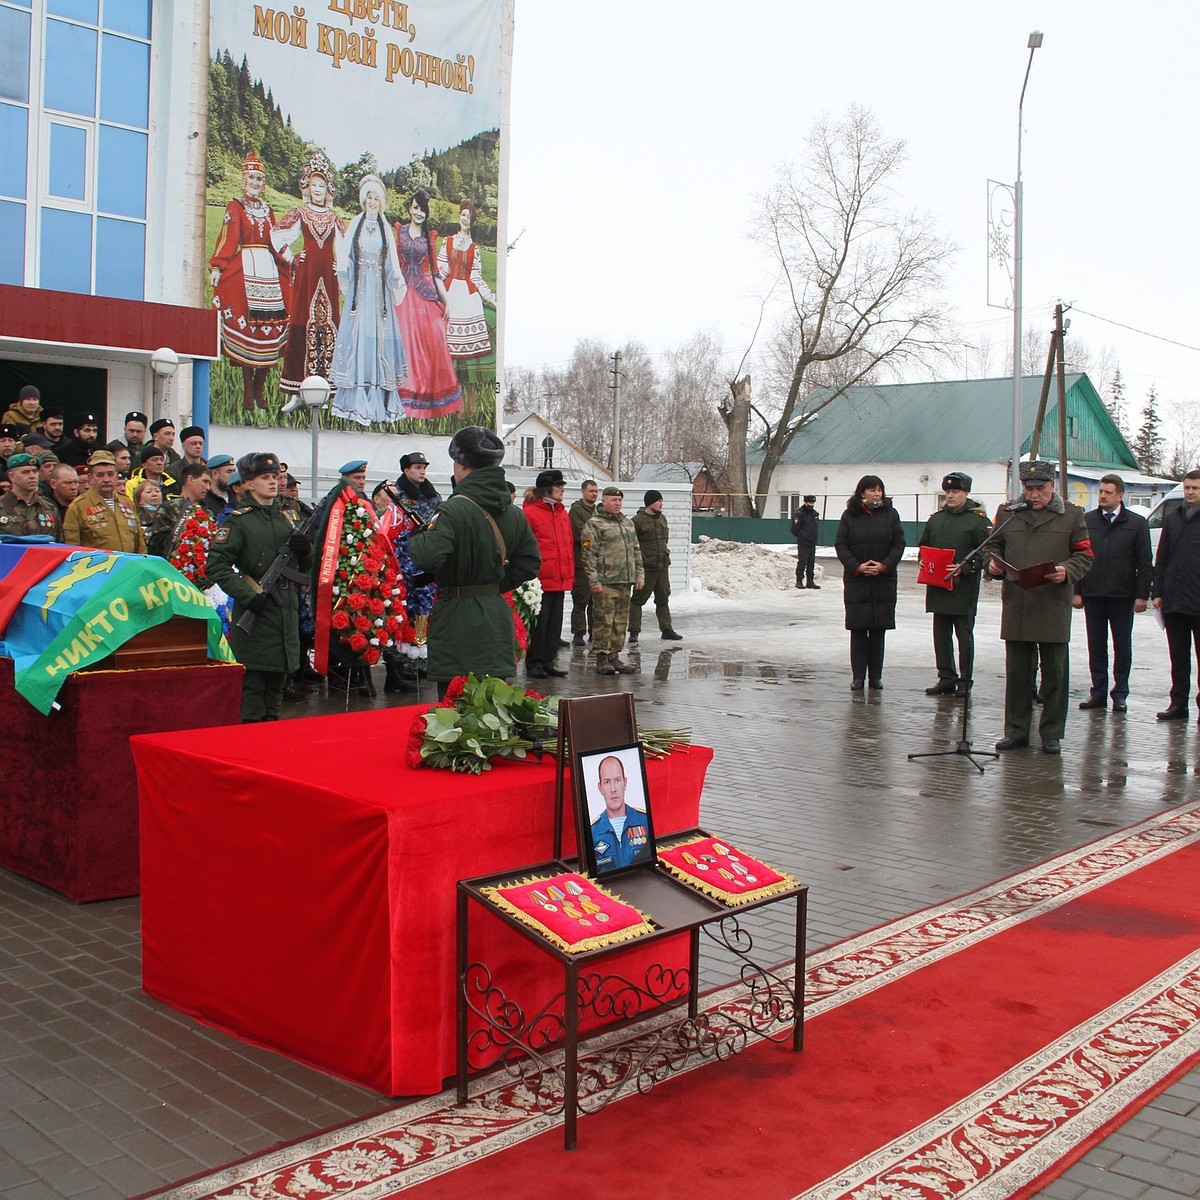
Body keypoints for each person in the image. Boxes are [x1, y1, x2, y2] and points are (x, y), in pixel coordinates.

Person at [407, 426, 540, 696]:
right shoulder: (513, 513)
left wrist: (418, 536)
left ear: (463, 465)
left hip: (457, 618)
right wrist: (492, 584)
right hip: (495, 615)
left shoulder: (452, 510)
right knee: (494, 705)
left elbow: (426, 556)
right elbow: (529, 563)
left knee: (455, 708)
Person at [988, 460, 1093, 754]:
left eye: (1040, 489)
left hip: (1051, 602)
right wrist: (992, 564)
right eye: (1028, 488)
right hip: (1018, 601)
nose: (1034, 495)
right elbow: (992, 546)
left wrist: (1067, 571)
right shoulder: (1008, 513)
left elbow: (1085, 555)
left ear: (1052, 486)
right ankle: (1017, 731)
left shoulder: (1071, 516)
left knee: (1055, 673)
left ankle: (1051, 732)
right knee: (1018, 673)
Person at [207, 452, 313, 722]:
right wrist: (248, 595)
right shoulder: (239, 521)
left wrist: (306, 552)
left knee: (275, 701)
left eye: (276, 477)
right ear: (248, 483)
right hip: (256, 618)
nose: (273, 482)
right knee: (252, 700)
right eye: (265, 477)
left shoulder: (286, 518)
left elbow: (305, 570)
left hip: (285, 619)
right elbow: (216, 566)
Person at [209, 151, 291, 412]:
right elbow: (229, 237)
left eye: (259, 178)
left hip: (267, 269)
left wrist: (290, 261)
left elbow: (276, 243)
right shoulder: (236, 207)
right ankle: (247, 389)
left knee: (272, 326)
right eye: (252, 177)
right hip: (246, 268)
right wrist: (219, 265)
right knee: (248, 327)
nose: (255, 182)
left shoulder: (269, 211)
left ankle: (260, 387)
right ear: (244, 180)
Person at [328, 174, 407, 425]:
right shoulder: (356, 224)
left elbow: (391, 261)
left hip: (379, 295)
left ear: (381, 202)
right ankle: (355, 401)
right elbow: (347, 254)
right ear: (364, 200)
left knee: (380, 341)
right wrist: (345, 268)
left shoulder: (385, 228)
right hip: (361, 292)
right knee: (359, 338)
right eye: (369, 197)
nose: (372, 202)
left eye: (376, 198)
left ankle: (380, 403)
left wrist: (395, 277)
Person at [1074, 474, 1152, 713]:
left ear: (1120, 495)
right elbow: (1078, 557)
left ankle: (1120, 693)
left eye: (1108, 492)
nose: (1103, 496)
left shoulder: (1136, 523)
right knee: (1096, 645)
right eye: (1101, 492)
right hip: (1094, 593)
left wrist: (1141, 595)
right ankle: (1098, 692)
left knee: (1122, 646)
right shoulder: (1087, 521)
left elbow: (1144, 562)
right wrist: (1077, 591)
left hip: (1123, 595)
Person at [273, 151, 346, 396]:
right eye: (314, 184)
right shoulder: (300, 213)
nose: (317, 189)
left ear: (328, 190)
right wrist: (291, 256)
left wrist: (341, 267)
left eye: (322, 185)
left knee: (329, 322)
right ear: (307, 186)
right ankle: (297, 386)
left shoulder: (335, 218)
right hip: (308, 274)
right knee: (303, 320)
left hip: (328, 274)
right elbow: (277, 235)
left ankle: (328, 387)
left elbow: (346, 248)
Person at [917, 471, 991, 697]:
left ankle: (964, 680)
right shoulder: (936, 519)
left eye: (955, 491)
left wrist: (964, 567)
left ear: (966, 493)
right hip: (938, 586)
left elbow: (986, 553)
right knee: (940, 636)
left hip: (963, 589)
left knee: (964, 637)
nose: (950, 496)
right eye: (948, 491)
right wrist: (923, 561)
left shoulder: (977, 521)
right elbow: (924, 546)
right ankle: (946, 677)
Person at [394, 188, 463, 419]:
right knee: (404, 342)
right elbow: (392, 267)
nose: (419, 213)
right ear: (409, 208)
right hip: (402, 293)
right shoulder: (399, 232)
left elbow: (435, 274)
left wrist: (447, 302)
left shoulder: (429, 238)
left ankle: (431, 399)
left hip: (425, 293)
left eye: (423, 209)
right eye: (415, 208)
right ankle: (403, 396)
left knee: (433, 338)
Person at [834, 474, 905, 690]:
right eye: (872, 490)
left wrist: (884, 566)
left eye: (880, 490)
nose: (877, 494)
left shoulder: (891, 515)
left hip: (883, 581)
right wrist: (857, 566)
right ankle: (858, 677)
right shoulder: (849, 516)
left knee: (877, 631)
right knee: (858, 631)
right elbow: (841, 544)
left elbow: (899, 544)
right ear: (862, 492)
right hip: (858, 582)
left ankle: (876, 677)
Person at [1152, 468, 1200, 722]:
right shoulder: (1173, 518)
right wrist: (1157, 591)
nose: (1190, 492)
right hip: (1174, 600)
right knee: (1178, 658)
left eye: (1195, 488)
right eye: (1187, 487)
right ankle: (1178, 704)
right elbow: (1162, 558)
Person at [582, 486, 643, 676]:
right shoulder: (595, 524)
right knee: (604, 620)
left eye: (619, 501)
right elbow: (587, 553)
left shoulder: (627, 524)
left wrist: (639, 575)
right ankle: (602, 657)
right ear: (604, 502)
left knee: (620, 621)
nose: (617, 504)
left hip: (625, 580)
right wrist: (593, 580)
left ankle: (614, 655)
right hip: (605, 581)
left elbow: (636, 550)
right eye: (613, 501)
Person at [522, 469, 573, 678]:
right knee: (539, 625)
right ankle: (534, 662)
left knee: (554, 624)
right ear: (546, 488)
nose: (562, 489)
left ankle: (548, 661)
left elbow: (567, 544)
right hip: (540, 579)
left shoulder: (561, 512)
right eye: (558, 486)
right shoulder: (530, 513)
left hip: (559, 577)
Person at [436, 200, 496, 370]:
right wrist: (433, 289)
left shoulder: (474, 248)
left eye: (469, 217)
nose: (465, 219)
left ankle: (462, 377)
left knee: (464, 345)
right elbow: (441, 271)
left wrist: (492, 300)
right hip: (451, 290)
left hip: (467, 295)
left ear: (472, 222)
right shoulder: (448, 241)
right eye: (463, 215)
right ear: (459, 216)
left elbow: (476, 277)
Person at [62, 451, 147, 552]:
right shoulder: (77, 507)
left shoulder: (127, 502)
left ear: (116, 476)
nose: (106, 479)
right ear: (90, 478)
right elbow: (72, 549)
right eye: (100, 475)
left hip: (128, 566)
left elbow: (140, 543)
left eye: (110, 474)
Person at [629, 490, 683, 644]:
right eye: (658, 501)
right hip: (646, 568)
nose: (661, 504)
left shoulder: (662, 519)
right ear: (650, 503)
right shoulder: (637, 521)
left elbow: (665, 539)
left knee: (663, 598)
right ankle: (634, 631)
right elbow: (631, 545)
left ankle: (667, 629)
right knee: (638, 600)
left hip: (662, 567)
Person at [588, 754, 652, 872]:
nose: (613, 789)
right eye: (607, 782)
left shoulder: (645, 821)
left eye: (617, 780)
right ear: (600, 788)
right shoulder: (592, 831)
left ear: (625, 783)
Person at [147, 463, 211, 558]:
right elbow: (156, 546)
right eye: (205, 482)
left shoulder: (208, 512)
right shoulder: (169, 508)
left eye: (209, 484)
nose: (208, 488)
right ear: (191, 479)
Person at [0, 452, 61, 538]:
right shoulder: (2, 505)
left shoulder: (49, 507)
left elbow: (59, 544)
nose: (32, 476)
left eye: (35, 471)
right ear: (11, 476)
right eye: (25, 472)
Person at [569, 479, 600, 645]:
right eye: (591, 491)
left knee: (595, 600)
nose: (594, 494)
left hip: (597, 562)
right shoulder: (576, 511)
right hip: (581, 562)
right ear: (583, 492)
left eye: (596, 491)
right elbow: (581, 535)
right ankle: (578, 632)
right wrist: (595, 539)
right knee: (581, 599)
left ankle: (594, 632)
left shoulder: (598, 511)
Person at [791, 494, 820, 589]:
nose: (811, 504)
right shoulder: (800, 514)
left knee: (811, 563)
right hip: (803, 542)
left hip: (812, 542)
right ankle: (799, 581)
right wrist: (803, 536)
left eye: (813, 502)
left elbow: (815, 527)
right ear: (805, 502)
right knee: (802, 562)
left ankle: (810, 581)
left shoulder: (814, 514)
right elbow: (794, 529)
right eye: (810, 502)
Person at [132, 478, 163, 544]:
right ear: (139, 500)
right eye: (149, 492)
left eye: (157, 491)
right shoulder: (135, 520)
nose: (154, 494)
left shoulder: (168, 517)